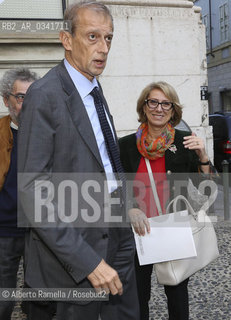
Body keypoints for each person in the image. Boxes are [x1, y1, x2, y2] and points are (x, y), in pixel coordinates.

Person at [18, 1, 139, 320]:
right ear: (66, 39)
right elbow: (32, 191)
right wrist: (88, 261)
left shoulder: (95, 90)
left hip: (118, 234)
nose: (103, 48)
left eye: (109, 38)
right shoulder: (45, 95)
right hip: (73, 256)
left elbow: (105, 161)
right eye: (92, 37)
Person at [119, 81, 212, 320]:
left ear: (173, 110)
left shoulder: (184, 142)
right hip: (138, 232)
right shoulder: (126, 146)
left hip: (173, 228)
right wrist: (129, 209)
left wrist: (203, 156)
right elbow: (115, 188)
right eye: (153, 102)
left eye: (165, 103)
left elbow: (207, 188)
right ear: (144, 106)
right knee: (138, 296)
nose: (159, 108)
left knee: (177, 293)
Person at [0, 68, 38, 320]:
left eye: (33, 96)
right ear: (6, 100)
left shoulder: (48, 133)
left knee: (40, 293)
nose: (27, 103)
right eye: (21, 97)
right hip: (4, 229)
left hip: (39, 229)